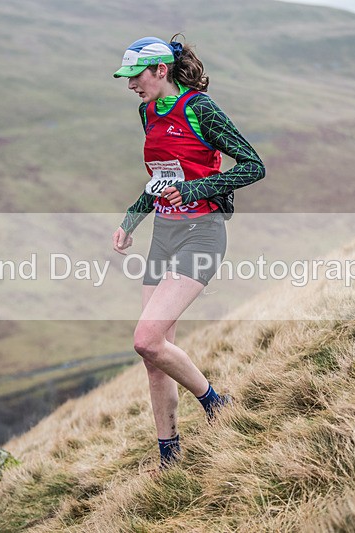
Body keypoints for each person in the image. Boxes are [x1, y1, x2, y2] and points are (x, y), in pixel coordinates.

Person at [111, 35, 265, 469]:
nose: (130, 86)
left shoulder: (200, 108)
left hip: (202, 233)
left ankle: (217, 402)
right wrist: (131, 220)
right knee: (155, 359)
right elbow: (160, 178)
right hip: (163, 234)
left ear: (161, 70)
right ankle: (170, 456)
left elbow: (253, 165)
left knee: (146, 339)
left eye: (135, 76)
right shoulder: (148, 113)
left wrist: (195, 189)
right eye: (125, 78)